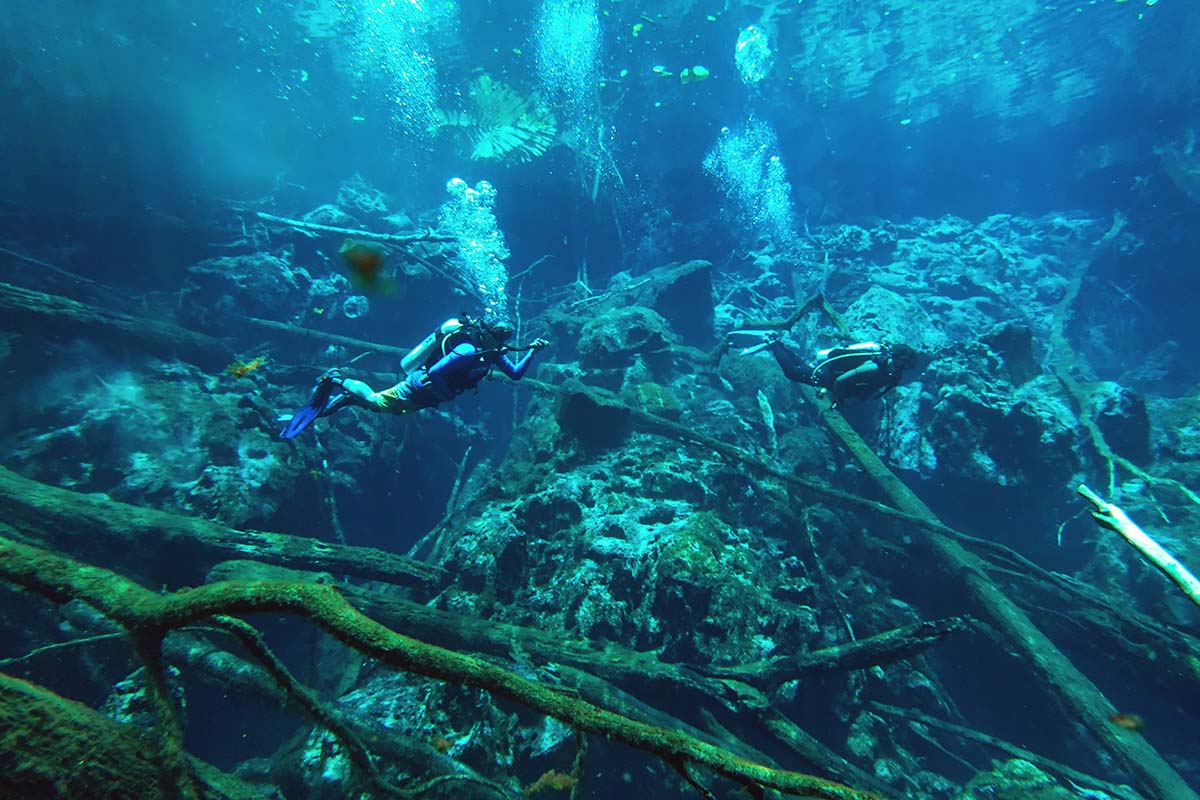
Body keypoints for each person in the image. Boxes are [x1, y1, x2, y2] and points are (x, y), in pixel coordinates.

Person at [280, 317, 549, 439]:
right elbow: (435, 372)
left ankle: (342, 399)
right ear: (488, 333)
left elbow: (515, 374)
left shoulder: (491, 353)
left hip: (428, 396)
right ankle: (338, 379)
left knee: (377, 406)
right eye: (499, 337)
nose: (502, 343)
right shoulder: (468, 350)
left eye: (504, 340)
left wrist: (532, 353)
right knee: (375, 401)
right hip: (420, 387)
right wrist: (445, 394)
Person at [736, 331, 918, 407]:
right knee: (793, 372)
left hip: (832, 373)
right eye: (903, 365)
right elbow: (841, 380)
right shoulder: (874, 367)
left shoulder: (890, 373)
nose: (903, 370)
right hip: (830, 374)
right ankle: (772, 341)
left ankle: (777, 343)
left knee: (802, 368)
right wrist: (837, 398)